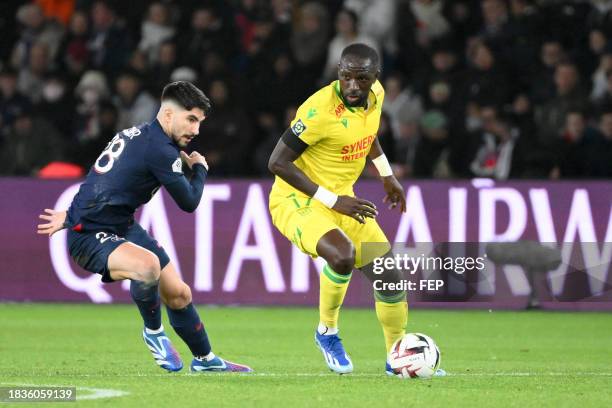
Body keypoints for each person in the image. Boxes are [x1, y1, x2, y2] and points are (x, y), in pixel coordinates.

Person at [37, 81, 251, 373]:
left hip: (119, 225)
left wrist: (73, 212)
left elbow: (104, 177)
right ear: (167, 115)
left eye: (199, 122)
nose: (196, 130)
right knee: (147, 266)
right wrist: (200, 168)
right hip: (88, 236)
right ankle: (154, 333)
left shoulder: (137, 135)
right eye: (191, 119)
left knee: (179, 293)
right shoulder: (160, 150)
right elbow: (189, 202)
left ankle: (205, 360)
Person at [268, 44, 443, 376]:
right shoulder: (318, 111)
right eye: (345, 77)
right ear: (339, 72)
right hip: (297, 202)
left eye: (360, 79)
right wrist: (335, 201)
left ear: (375, 78)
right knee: (342, 254)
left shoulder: (375, 96)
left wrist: (387, 176)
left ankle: (397, 357)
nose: (352, 86)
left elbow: (369, 134)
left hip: (342, 200)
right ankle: (327, 332)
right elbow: (277, 162)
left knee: (390, 277)